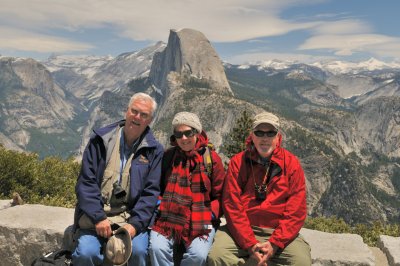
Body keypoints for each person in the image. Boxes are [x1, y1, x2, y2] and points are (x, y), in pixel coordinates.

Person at [72, 92, 164, 266]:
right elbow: (86, 182)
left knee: (137, 253)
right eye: (134, 111)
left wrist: (135, 225)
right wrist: (98, 217)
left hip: (130, 218)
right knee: (86, 253)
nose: (137, 117)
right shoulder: (101, 141)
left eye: (144, 115)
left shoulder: (154, 150)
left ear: (150, 120)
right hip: (96, 217)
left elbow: (150, 192)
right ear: (126, 112)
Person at [208, 111, 311, 265]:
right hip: (242, 230)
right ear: (252, 136)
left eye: (270, 133)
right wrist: (250, 245)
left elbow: (296, 210)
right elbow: (232, 205)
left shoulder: (291, 164)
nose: (264, 138)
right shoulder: (239, 162)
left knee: (301, 261)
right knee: (216, 256)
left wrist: (274, 244)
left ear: (278, 137)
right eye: (259, 133)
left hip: (277, 231)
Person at [149, 112, 226, 266]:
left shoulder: (211, 159)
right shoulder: (169, 157)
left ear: (196, 132)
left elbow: (220, 195)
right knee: (157, 249)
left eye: (188, 133)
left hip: (201, 217)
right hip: (169, 216)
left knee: (198, 255)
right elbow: (157, 187)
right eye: (178, 134)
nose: (183, 138)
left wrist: (211, 213)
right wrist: (160, 204)